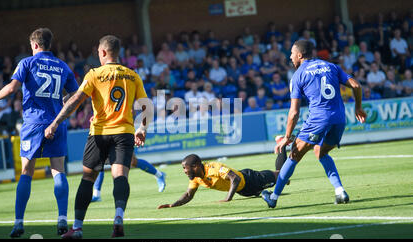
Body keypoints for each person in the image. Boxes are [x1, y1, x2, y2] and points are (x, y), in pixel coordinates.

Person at [44, 35, 148, 239]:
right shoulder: (132, 75)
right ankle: (118, 217)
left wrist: (56, 122)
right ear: (118, 53)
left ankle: (78, 228)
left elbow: (75, 101)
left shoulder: (94, 74)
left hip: (99, 134)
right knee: (120, 177)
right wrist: (142, 128)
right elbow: (146, 106)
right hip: (124, 133)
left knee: (88, 178)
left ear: (102, 52)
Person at [0, 28, 79, 237]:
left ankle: (18, 223)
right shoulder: (62, 66)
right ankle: (62, 219)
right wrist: (62, 105)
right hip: (57, 122)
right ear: (49, 45)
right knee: (58, 170)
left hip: (34, 123)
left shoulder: (27, 62)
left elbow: (12, 88)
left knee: (26, 171)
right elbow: (76, 94)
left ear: (35, 45)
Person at [261, 40, 367, 209]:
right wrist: (358, 107)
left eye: (291, 54)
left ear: (300, 55)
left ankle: (273, 197)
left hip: (318, 119)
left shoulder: (298, 75)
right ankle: (340, 191)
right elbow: (356, 85)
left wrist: (286, 138)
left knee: (294, 155)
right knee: (321, 151)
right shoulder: (331, 66)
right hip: (339, 119)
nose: (290, 57)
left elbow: (294, 112)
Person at [157, 147, 288, 208]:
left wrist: (227, 198)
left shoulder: (214, 167)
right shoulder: (195, 178)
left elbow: (235, 178)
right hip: (243, 191)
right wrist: (171, 205)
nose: (184, 171)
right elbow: (188, 195)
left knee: (282, 174)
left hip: (250, 179)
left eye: (185, 168)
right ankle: (271, 189)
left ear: (196, 166)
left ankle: (280, 144)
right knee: (280, 180)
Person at [91, 154, 167, 202]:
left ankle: (159, 175)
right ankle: (97, 194)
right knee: (98, 161)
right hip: (105, 135)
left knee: (132, 161)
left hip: (121, 133)